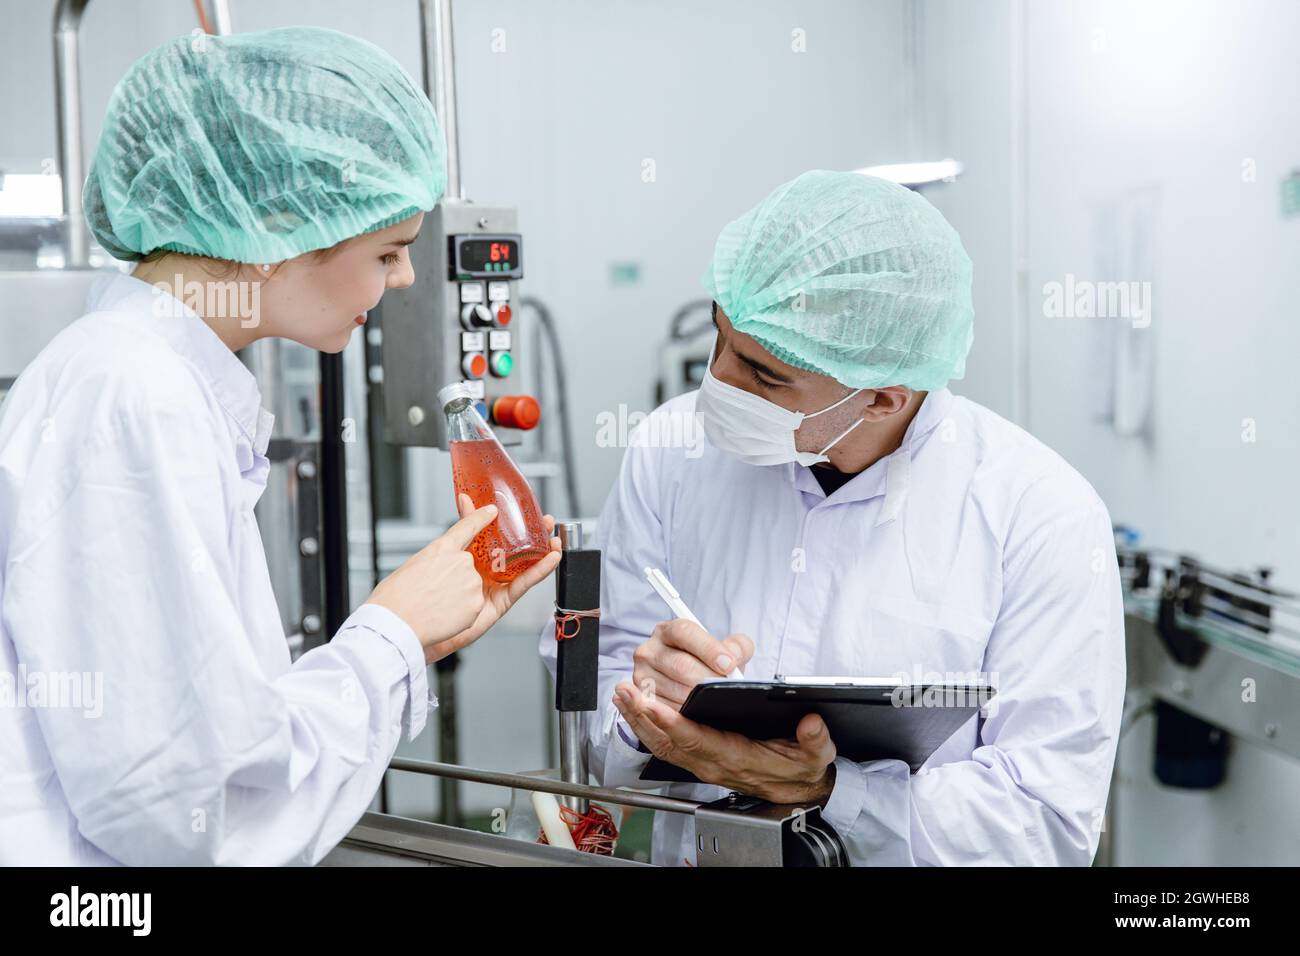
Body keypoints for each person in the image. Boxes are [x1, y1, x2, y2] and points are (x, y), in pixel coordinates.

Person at [0, 26, 560, 865]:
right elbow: (188, 808)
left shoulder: (153, 380)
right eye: (389, 251)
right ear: (279, 221)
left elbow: (210, 740)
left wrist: (419, 640)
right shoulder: (134, 397)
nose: (405, 279)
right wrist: (388, 634)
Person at [540, 170, 1126, 866]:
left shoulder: (1039, 515)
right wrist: (648, 713)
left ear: (883, 398)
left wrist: (831, 794)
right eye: (720, 337)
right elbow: (595, 715)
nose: (718, 380)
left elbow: (1043, 824)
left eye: (764, 375)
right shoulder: (672, 454)